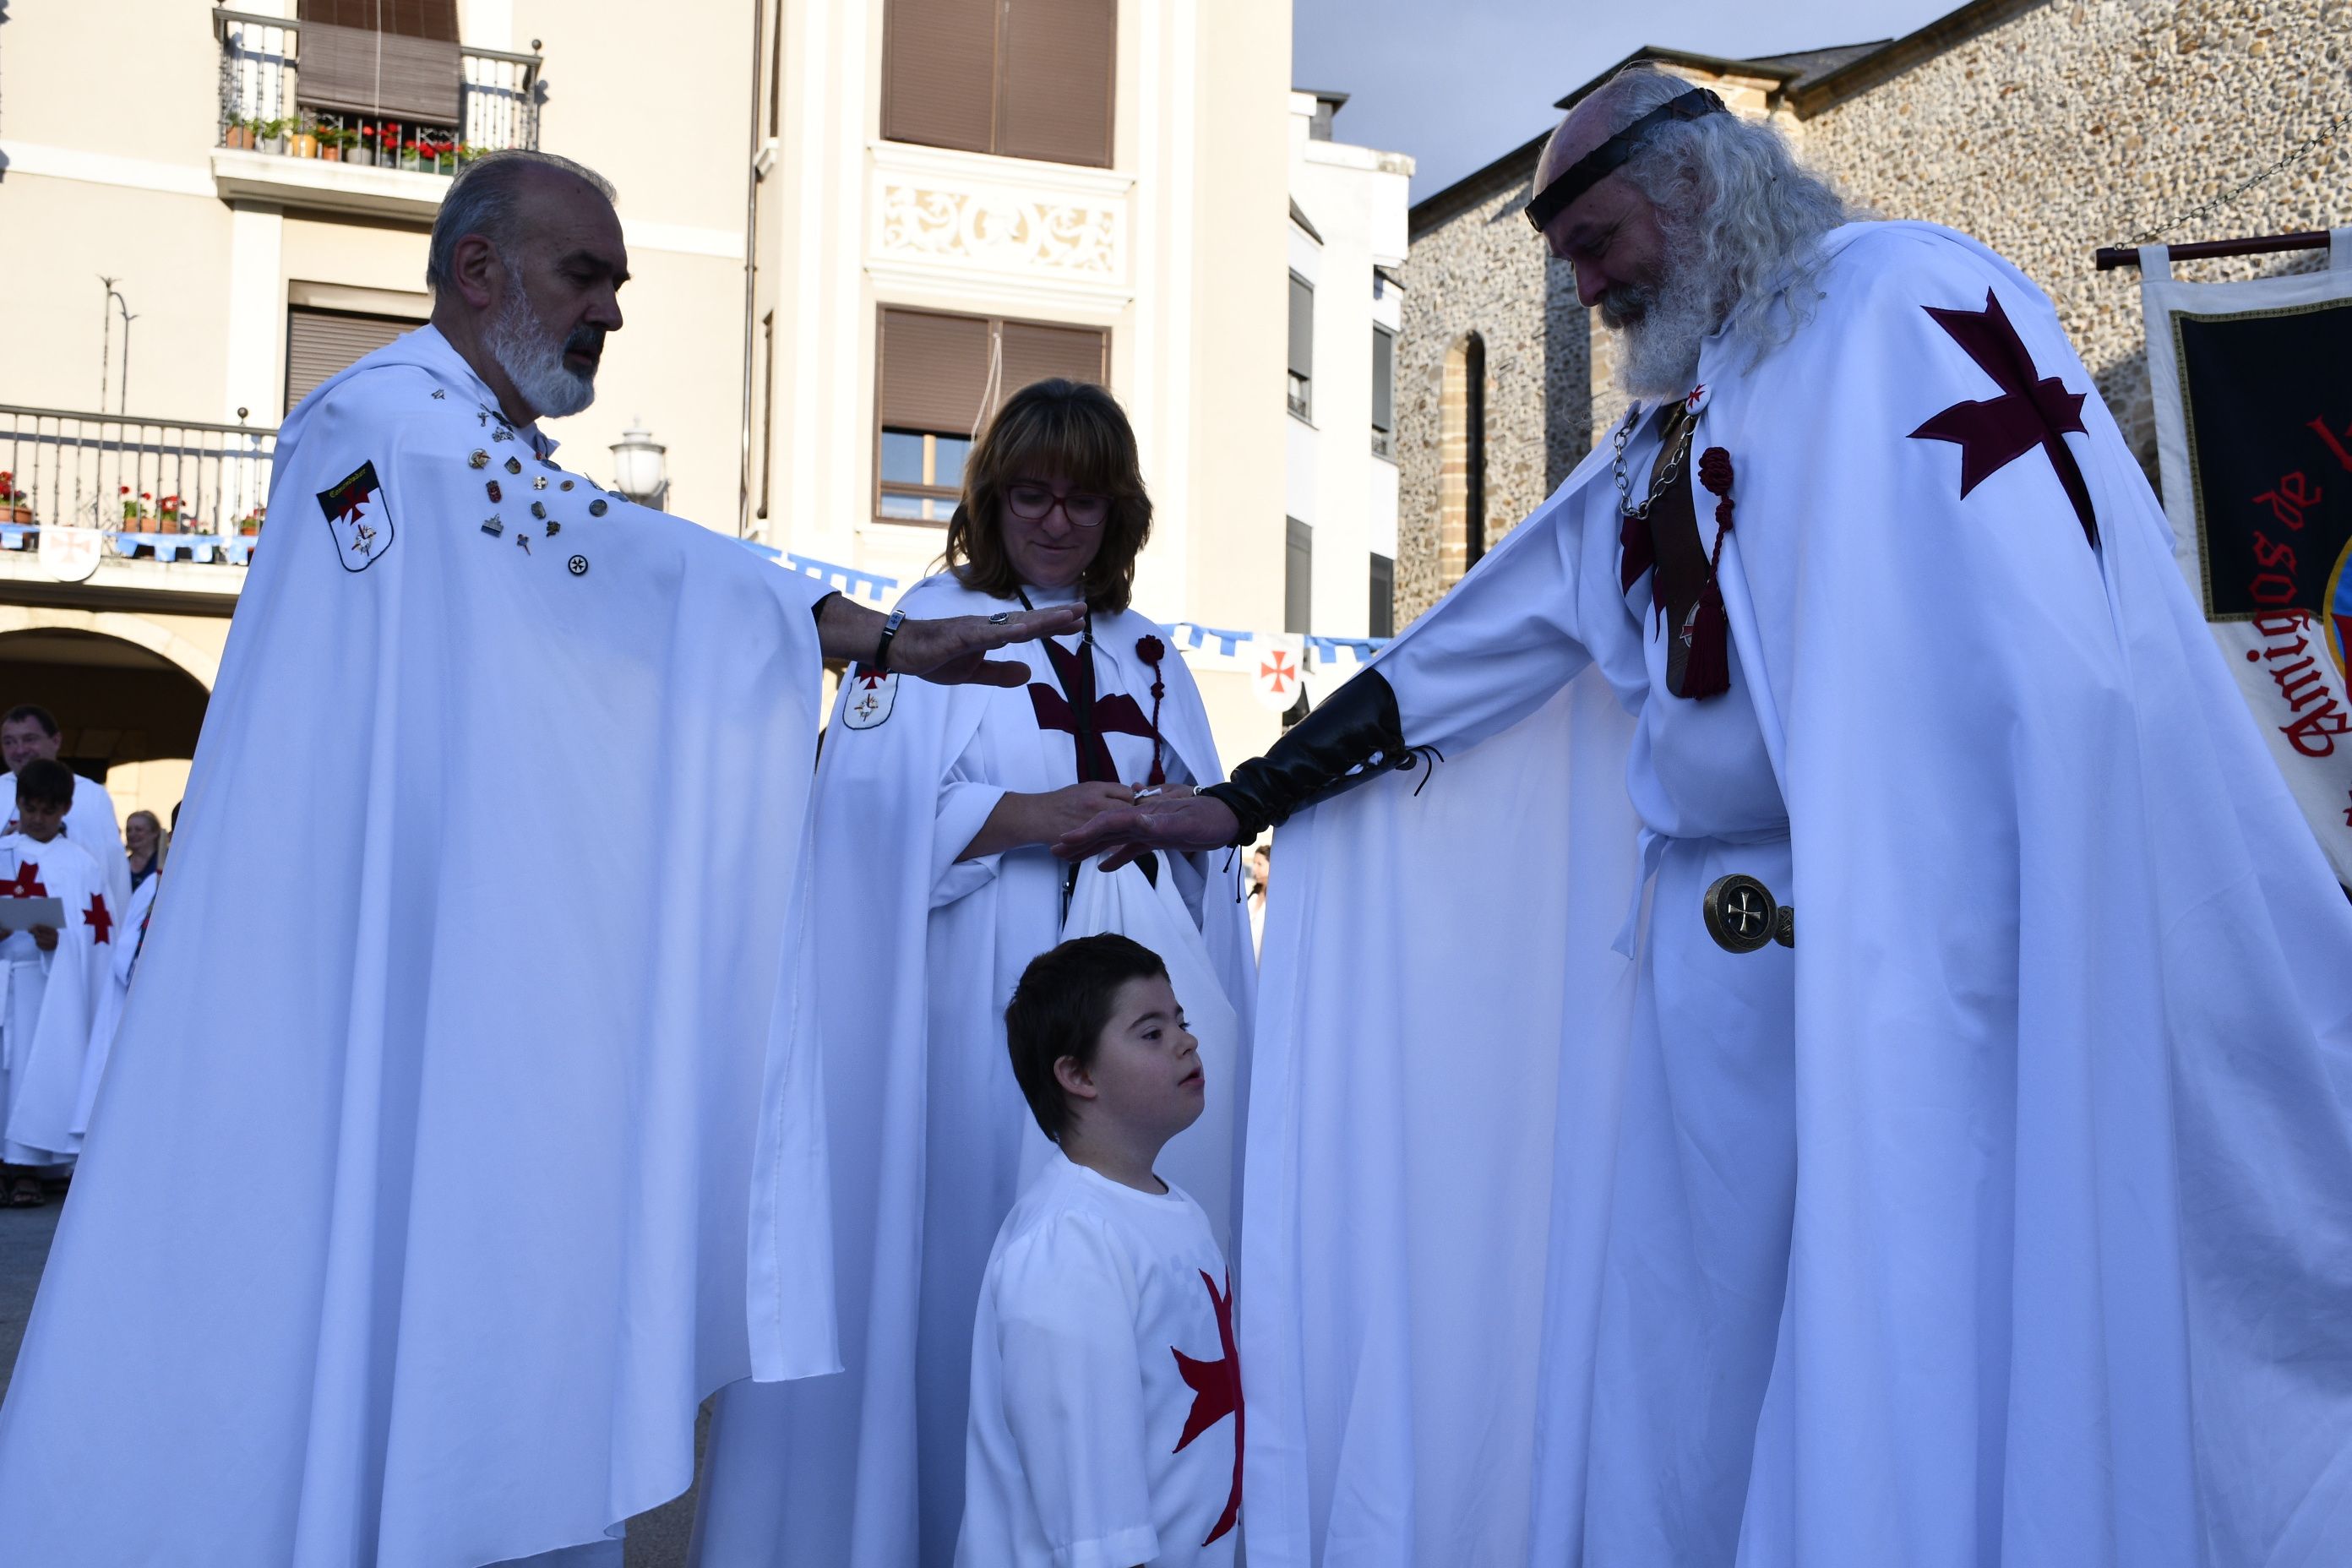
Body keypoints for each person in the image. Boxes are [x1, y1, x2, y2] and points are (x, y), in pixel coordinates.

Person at [1060, 64, 2352, 1567]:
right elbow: (1486, 636)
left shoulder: (1896, 300)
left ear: (1691, 186)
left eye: (1593, 240)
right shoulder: (1670, 422)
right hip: (1711, 972)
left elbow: (2038, 638)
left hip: (1920, 955)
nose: (1582, 282)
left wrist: (1963, 870)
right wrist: (1244, 798)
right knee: (1691, 1328)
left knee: (1916, 1294)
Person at [0, 149, 1080, 1568]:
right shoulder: (387, 437)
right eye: (589, 275)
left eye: (620, 282)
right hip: (353, 975)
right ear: (476, 271)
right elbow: (613, 563)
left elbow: (589, 625)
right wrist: (873, 632)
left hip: (455, 976)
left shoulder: (466, 460)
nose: (612, 313)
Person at [691, 379, 1255, 1568]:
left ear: (1121, 514)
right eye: (1032, 496)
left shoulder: (1156, 657)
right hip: (965, 1026)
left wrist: (1160, 824)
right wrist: (1033, 815)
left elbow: (1212, 852)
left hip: (1129, 1017)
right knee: (958, 1274)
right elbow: (858, 823)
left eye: (1084, 502)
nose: (1056, 524)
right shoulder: (928, 626)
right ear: (990, 501)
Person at [956, 934, 1241, 1568]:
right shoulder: (1070, 1249)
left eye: (1181, 1022)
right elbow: (1095, 1529)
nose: (1186, 1042)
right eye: (1150, 1032)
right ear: (1077, 1074)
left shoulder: (1171, 1209)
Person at [0, 760, 112, 1204]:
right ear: (19, 804)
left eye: (49, 810)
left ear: (65, 809)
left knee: (34, 1068)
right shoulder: (2, 855)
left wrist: (56, 946)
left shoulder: (80, 865)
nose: (39, 819)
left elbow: (95, 934)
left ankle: (28, 1164)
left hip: (47, 990)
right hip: (5, 976)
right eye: (31, 808)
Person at [0, 705, 128, 917]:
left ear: (56, 740)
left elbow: (110, 869)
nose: (19, 750)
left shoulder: (90, 796)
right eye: (9, 742)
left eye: (29, 739)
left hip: (68, 922)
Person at [122, 808, 163, 890]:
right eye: (128, 830)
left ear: (154, 832)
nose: (132, 834)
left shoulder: (165, 862)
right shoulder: (122, 865)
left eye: (139, 830)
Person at [1245, 842, 1270, 953]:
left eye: (1259, 864)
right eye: (1254, 863)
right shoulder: (1253, 896)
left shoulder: (1274, 901)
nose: (1254, 869)